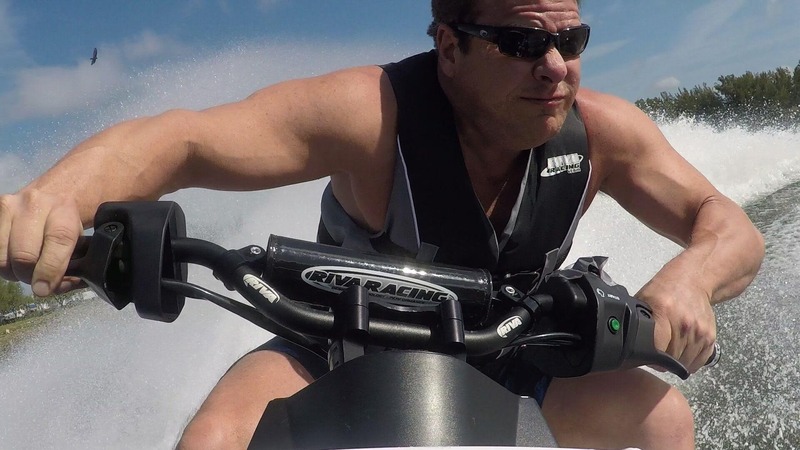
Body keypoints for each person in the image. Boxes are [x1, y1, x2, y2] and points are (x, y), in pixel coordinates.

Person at [0, 0, 764, 448]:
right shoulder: (369, 116)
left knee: (662, 418)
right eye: (524, 43)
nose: (557, 67)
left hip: (506, 347)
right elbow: (184, 142)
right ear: (450, 47)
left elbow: (726, 224)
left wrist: (688, 281)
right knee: (215, 441)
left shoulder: (603, 135)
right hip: (333, 343)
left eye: (572, 41)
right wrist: (60, 196)